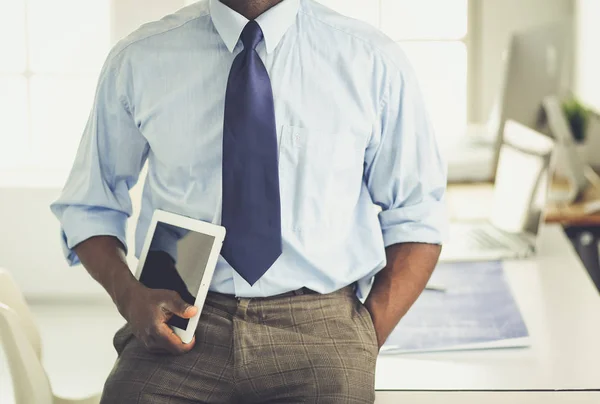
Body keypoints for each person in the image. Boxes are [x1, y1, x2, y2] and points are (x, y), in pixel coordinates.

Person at [50, 0, 447, 402]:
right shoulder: (138, 59)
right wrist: (130, 297)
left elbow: (417, 216)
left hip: (322, 323)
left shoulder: (371, 61)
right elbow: (89, 206)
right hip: (181, 316)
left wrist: (366, 334)